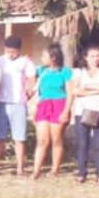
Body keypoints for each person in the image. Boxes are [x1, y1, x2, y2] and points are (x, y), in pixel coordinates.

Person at [0, 36, 37, 176]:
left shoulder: (26, 62)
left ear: (19, 50)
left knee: (19, 138)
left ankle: (20, 168)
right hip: (1, 103)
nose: (11, 54)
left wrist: (29, 93)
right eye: (8, 51)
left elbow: (32, 79)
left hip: (18, 103)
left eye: (14, 51)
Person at [31, 43, 73, 180]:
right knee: (42, 140)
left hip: (59, 104)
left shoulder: (65, 72)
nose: (42, 58)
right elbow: (33, 87)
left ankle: (55, 169)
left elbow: (70, 93)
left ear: (53, 57)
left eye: (44, 55)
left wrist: (66, 111)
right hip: (44, 104)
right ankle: (36, 170)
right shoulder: (41, 70)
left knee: (56, 139)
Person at [71, 44, 99, 185]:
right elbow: (75, 90)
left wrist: (87, 88)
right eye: (92, 56)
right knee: (83, 143)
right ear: (86, 57)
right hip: (82, 111)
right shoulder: (79, 72)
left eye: (98, 56)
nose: (96, 59)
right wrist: (96, 89)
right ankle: (82, 172)